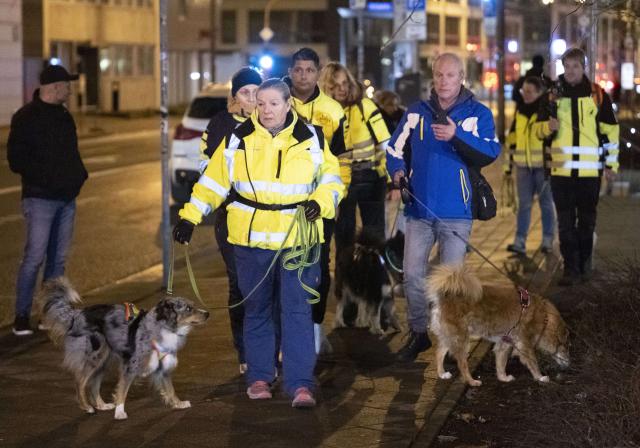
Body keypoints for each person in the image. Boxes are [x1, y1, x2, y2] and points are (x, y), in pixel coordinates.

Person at [173, 79, 344, 408]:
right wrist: (189, 216)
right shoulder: (237, 139)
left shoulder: (312, 138)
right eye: (261, 103)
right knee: (257, 311)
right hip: (251, 241)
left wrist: (320, 202)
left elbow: (332, 180)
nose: (266, 110)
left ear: (288, 104)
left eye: (273, 104)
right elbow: (213, 181)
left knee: (297, 312)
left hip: (298, 239)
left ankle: (300, 384)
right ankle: (260, 377)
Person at [386, 53, 500, 362]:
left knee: (452, 284)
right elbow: (394, 148)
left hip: (457, 212)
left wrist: (456, 135)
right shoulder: (416, 112)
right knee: (411, 275)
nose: (443, 81)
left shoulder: (478, 113)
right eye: (438, 75)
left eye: (450, 75)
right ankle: (419, 333)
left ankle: (452, 339)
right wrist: (397, 172)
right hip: (418, 211)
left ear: (461, 77)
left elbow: (491, 151)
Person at [7, 64, 88, 336]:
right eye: (67, 85)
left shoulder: (65, 116)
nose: (70, 89)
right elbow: (16, 160)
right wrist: (47, 178)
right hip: (40, 198)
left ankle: (49, 315)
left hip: (66, 199)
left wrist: (78, 177)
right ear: (54, 88)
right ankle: (21, 316)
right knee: (34, 257)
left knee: (58, 260)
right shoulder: (26, 117)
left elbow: (71, 153)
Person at [534, 48, 619, 286]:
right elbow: (536, 132)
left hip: (590, 174)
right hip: (561, 173)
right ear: (563, 67)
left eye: (575, 66)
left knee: (587, 222)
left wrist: (611, 165)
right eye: (567, 66)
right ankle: (570, 270)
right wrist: (546, 127)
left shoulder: (597, 95)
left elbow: (611, 133)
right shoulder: (552, 96)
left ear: (584, 68)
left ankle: (584, 266)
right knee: (565, 223)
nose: (571, 71)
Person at [198, 67, 262, 374]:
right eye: (245, 92)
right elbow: (207, 167)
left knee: (265, 284)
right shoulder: (220, 124)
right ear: (234, 96)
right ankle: (245, 351)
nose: (251, 98)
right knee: (239, 284)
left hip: (265, 218)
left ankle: (267, 345)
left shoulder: (268, 122)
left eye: (256, 92)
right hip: (231, 217)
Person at [285, 48, 348, 354]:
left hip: (321, 206)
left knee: (319, 269)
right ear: (290, 71)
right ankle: (286, 334)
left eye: (310, 70)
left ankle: (314, 328)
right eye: (298, 70)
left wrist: (336, 195)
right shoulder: (276, 102)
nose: (304, 76)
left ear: (317, 72)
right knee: (288, 268)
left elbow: (339, 158)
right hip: (283, 205)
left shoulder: (334, 110)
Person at [318, 62, 391, 289]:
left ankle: (375, 287)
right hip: (340, 183)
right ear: (326, 87)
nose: (341, 89)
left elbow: (386, 143)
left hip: (370, 177)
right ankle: (346, 290)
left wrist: (392, 180)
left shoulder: (365, 106)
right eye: (335, 85)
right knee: (344, 239)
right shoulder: (323, 113)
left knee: (374, 238)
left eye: (345, 83)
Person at [504, 76, 556, 255]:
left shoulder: (545, 112)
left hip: (542, 166)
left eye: (529, 92)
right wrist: (507, 167)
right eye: (523, 91)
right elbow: (512, 140)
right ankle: (520, 242)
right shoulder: (520, 112)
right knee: (524, 205)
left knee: (546, 204)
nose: (525, 95)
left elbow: (551, 141)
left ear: (539, 92)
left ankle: (548, 240)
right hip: (523, 167)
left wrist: (551, 166)